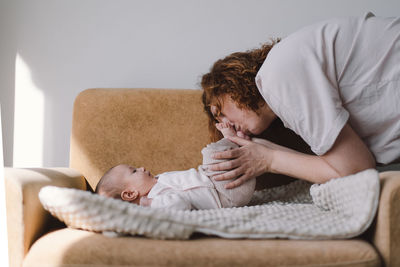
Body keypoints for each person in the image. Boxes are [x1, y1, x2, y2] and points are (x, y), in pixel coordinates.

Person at [201, 12, 400, 189]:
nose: (226, 125)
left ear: (230, 86)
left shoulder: (277, 75)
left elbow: (357, 171)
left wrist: (268, 159)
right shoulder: (286, 85)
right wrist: (265, 151)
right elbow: (346, 165)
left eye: (219, 112)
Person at [95, 123, 259, 210]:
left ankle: (241, 144)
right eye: (134, 171)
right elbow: (181, 205)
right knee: (210, 153)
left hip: (219, 183)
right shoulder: (156, 202)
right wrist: (151, 204)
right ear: (130, 193)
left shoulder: (158, 182)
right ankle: (233, 140)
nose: (142, 168)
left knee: (214, 161)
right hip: (225, 197)